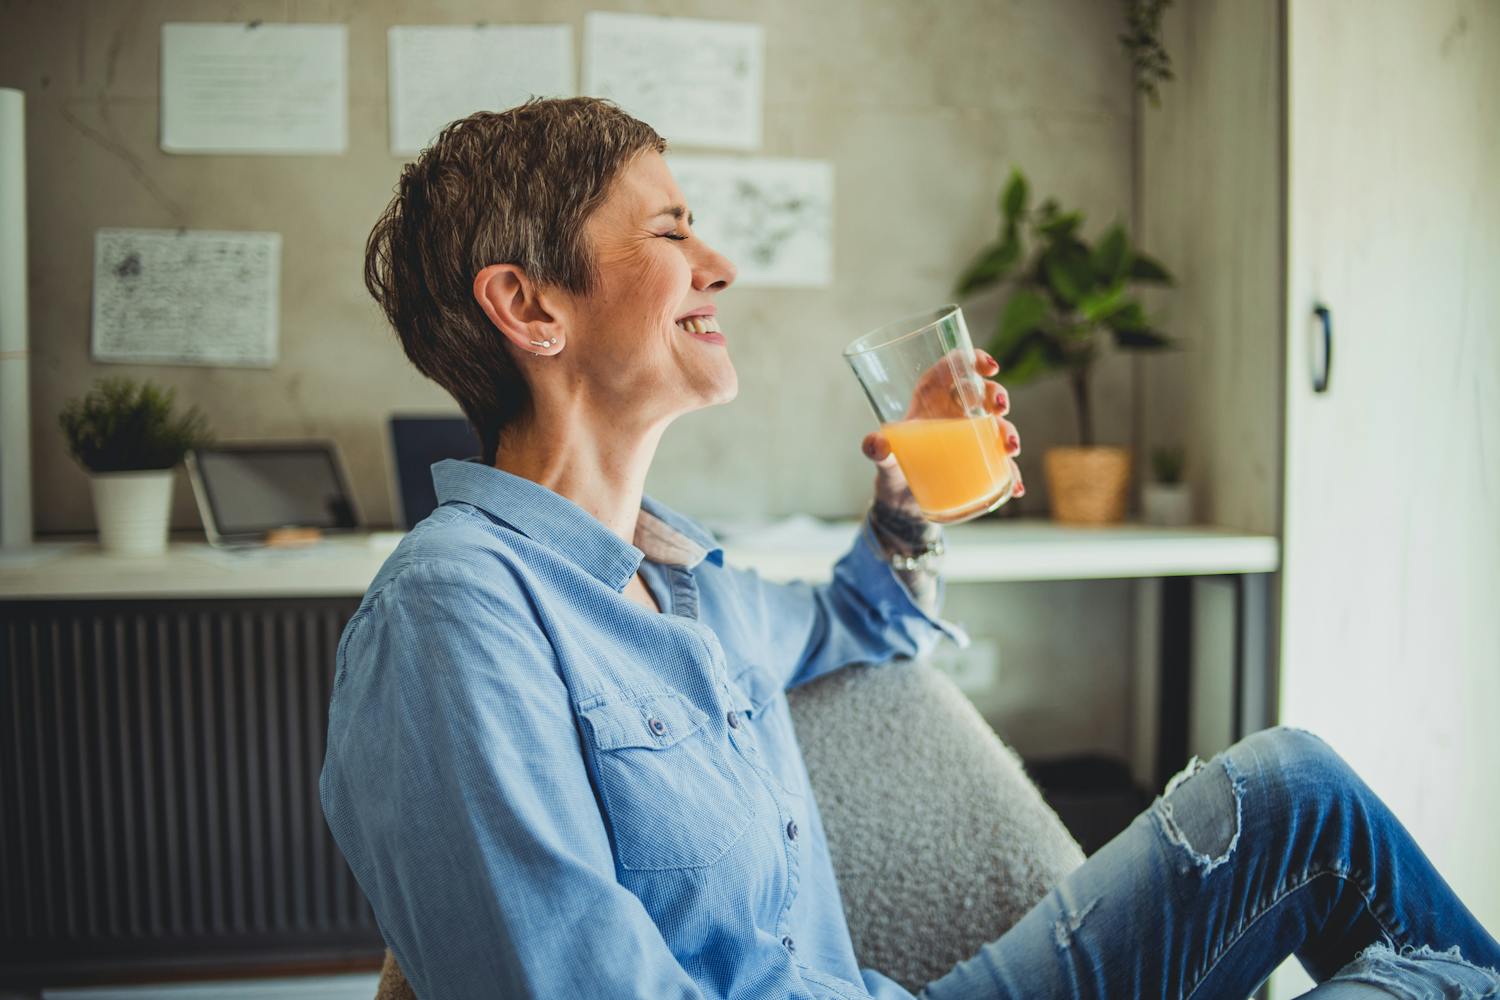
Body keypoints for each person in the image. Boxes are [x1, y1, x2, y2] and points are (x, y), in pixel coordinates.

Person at [319, 97, 1500, 999]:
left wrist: (909, 494)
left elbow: (859, 618)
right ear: (530, 308)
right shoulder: (453, 613)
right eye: (673, 229)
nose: (718, 264)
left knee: (1296, 794)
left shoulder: (687, 585)